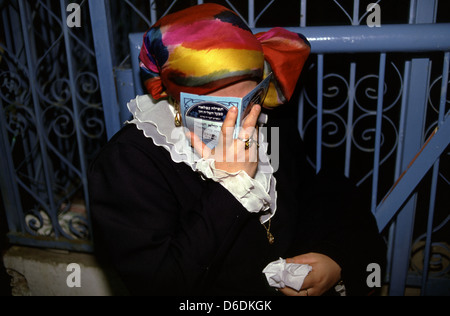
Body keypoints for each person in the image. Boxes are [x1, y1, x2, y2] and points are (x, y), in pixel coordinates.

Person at [88, 3, 386, 296]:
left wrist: (332, 257)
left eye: (252, 98)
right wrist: (231, 187)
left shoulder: (267, 121)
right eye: (218, 108)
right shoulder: (128, 164)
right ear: (177, 102)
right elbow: (162, 284)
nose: (242, 120)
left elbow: (305, 196)